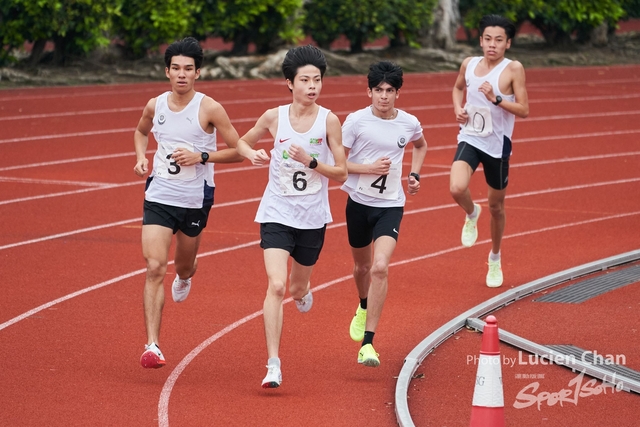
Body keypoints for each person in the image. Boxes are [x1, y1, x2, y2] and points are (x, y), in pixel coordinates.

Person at [236, 45, 348, 388]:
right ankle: (273, 363)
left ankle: (304, 290)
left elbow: (342, 173)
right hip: (277, 211)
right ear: (290, 83)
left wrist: (312, 162)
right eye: (305, 80)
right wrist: (251, 153)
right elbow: (242, 140)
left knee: (297, 287)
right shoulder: (274, 117)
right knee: (276, 284)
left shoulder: (329, 120)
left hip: (312, 217)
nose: (312, 86)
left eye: (317, 79)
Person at [133, 37, 242, 369]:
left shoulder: (209, 108)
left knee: (183, 265)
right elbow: (140, 131)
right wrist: (141, 157)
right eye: (176, 69)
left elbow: (239, 151)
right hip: (160, 195)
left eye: (188, 69)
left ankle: (186, 276)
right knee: (154, 267)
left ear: (198, 73)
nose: (182, 75)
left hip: (195, 199)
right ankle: (152, 345)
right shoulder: (156, 105)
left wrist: (202, 156)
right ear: (167, 71)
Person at [341, 61, 428, 367]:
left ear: (397, 94)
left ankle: (368, 343)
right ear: (369, 91)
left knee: (380, 267)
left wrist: (415, 174)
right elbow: (337, 164)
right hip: (359, 204)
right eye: (378, 90)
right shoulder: (355, 122)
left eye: (390, 91)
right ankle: (363, 304)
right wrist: (368, 169)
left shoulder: (408, 123)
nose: (384, 96)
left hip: (390, 205)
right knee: (361, 268)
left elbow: (421, 145)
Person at [449, 14, 529, 288]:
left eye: (498, 40)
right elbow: (457, 88)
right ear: (480, 40)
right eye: (487, 39)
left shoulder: (513, 69)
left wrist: (496, 99)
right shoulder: (469, 64)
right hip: (470, 138)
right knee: (457, 188)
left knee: (496, 206)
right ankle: (472, 213)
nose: (491, 44)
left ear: (507, 43)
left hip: (497, 147)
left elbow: (524, 110)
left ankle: (494, 257)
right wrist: (458, 109)